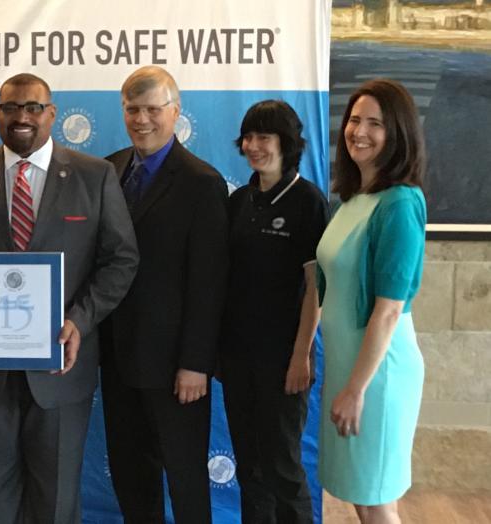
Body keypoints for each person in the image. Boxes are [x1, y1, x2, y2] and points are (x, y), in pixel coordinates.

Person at [0, 73, 139, 523]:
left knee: (57, 500)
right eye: (10, 108)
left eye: (33, 108)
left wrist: (80, 320)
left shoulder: (94, 175)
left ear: (52, 114)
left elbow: (121, 260)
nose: (22, 117)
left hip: (62, 366)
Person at [101, 65, 229, 523]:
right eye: (132, 109)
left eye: (153, 109)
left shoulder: (202, 182)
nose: (142, 120)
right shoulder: (110, 169)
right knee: (131, 474)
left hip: (177, 366)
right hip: (117, 358)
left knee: (184, 478)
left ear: (175, 112)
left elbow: (209, 282)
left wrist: (196, 362)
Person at [316, 79, 426, 524]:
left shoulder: (400, 203)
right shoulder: (356, 198)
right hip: (349, 366)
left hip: (377, 376)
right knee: (364, 495)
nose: (359, 131)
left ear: (397, 133)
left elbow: (390, 308)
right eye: (355, 119)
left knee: (376, 497)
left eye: (375, 123)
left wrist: (357, 389)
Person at [220, 100, 329, 524]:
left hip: (284, 359)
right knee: (251, 469)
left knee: (283, 467)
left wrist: (302, 355)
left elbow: (314, 289)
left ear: (286, 143)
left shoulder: (307, 201)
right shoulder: (239, 201)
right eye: (248, 137)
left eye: (264, 137)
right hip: (237, 357)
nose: (253, 146)